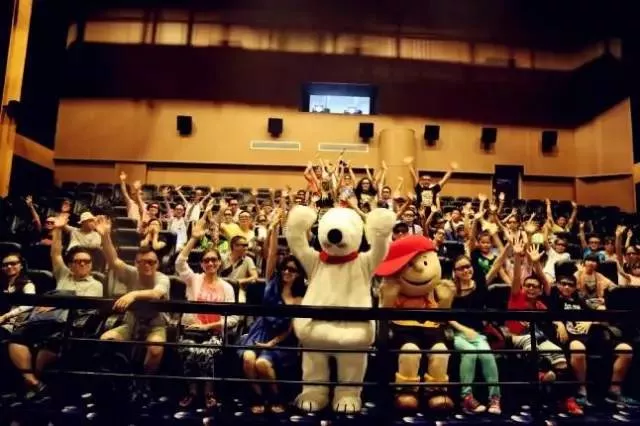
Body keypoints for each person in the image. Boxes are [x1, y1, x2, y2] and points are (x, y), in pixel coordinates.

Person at [8, 216, 102, 399]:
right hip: (45, 320)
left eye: (86, 261)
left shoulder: (95, 284)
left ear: (91, 265)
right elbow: (56, 254)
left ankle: (36, 388)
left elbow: (84, 309)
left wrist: (56, 305)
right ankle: (33, 382)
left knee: (47, 346)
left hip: (69, 323)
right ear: (71, 264)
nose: (82, 264)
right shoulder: (64, 275)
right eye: (78, 261)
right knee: (16, 338)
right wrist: (58, 229)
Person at [238, 210, 306, 414]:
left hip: (281, 339)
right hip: (260, 331)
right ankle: (258, 397)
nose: (287, 272)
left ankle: (277, 397)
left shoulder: (299, 299)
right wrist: (273, 228)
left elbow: (291, 328)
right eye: (285, 268)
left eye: (292, 270)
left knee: (262, 364)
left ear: (298, 274)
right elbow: (272, 255)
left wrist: (272, 343)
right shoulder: (272, 282)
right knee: (248, 359)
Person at [95, 216, 170, 401]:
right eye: (142, 262)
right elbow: (114, 261)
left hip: (155, 324)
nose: (147, 265)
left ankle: (144, 383)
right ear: (136, 263)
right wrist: (105, 236)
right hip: (131, 322)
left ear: (157, 264)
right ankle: (121, 382)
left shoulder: (162, 278)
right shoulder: (131, 273)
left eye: (151, 262)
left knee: (155, 349)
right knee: (106, 340)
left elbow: (156, 294)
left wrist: (133, 294)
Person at [174, 221, 237, 409]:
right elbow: (179, 263)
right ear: (201, 264)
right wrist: (194, 239)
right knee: (189, 351)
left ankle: (209, 391)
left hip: (214, 333)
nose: (210, 263)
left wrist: (208, 326)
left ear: (219, 263)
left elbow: (234, 319)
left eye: (214, 260)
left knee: (204, 353)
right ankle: (192, 391)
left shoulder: (227, 287)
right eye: (206, 260)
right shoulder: (194, 279)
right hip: (191, 331)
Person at [0, 254, 35, 338]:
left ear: (21, 266)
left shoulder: (27, 284)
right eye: (5, 265)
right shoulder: (3, 284)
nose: (9, 266)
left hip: (10, 326)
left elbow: (30, 303)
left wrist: (6, 316)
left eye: (13, 263)